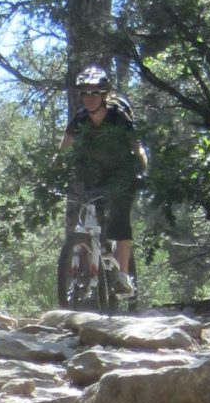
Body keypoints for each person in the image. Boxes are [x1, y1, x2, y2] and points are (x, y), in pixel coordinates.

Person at [62, 65, 148, 290]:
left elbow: (137, 146)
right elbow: (63, 149)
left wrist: (143, 168)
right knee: (91, 217)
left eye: (94, 93)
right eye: (84, 93)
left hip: (123, 174)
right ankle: (85, 264)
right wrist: (53, 170)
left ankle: (123, 276)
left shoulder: (118, 116)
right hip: (96, 174)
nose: (88, 98)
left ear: (104, 94)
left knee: (120, 220)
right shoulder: (80, 119)